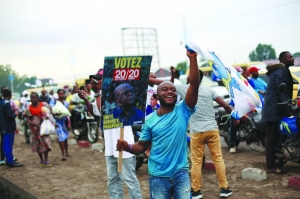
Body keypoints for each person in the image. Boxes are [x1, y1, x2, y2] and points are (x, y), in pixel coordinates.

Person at [117, 49, 200, 199]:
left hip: (181, 173)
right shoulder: (149, 120)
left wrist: (193, 59)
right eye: (165, 89)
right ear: (156, 95)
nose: (170, 92)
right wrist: (127, 146)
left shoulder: (183, 110)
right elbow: (141, 146)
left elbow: (194, 85)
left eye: (173, 90)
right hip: (158, 176)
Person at [78, 68, 142, 199]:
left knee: (130, 179)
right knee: (113, 179)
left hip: (125, 144)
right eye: (94, 80)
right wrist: (86, 99)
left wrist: (96, 93)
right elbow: (95, 112)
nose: (94, 83)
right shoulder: (100, 96)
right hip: (110, 146)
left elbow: (105, 110)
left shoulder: (118, 94)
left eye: (97, 80)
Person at [175, 69, 233, 198]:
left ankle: (196, 191)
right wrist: (235, 113)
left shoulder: (185, 89)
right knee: (218, 159)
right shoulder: (209, 90)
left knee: (196, 162)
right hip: (212, 129)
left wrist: (173, 76)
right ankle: (224, 189)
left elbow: (167, 85)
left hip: (196, 132)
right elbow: (226, 106)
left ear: (192, 78)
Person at [262, 51, 294, 174]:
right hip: (274, 110)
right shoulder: (281, 71)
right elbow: (281, 89)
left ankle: (279, 162)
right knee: (272, 138)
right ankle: (270, 167)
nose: (292, 59)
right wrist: (287, 106)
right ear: (283, 59)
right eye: (290, 57)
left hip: (276, 108)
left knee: (279, 138)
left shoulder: (282, 70)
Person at [24, 92, 54, 167]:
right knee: (37, 145)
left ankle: (46, 160)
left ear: (37, 98)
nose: (33, 99)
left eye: (35, 97)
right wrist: (32, 123)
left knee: (45, 143)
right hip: (35, 129)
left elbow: (50, 109)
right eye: (32, 98)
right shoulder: (29, 108)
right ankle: (41, 160)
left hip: (44, 128)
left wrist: (47, 116)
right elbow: (27, 117)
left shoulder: (43, 104)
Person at [0, 89, 23, 168]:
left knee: (5, 144)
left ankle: (8, 160)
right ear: (10, 95)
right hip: (8, 127)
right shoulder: (7, 103)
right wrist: (15, 114)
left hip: (3, 127)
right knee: (8, 145)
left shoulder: (1, 103)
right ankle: (10, 162)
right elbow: (9, 116)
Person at [53, 89, 71, 161]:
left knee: (65, 137)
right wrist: (55, 114)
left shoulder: (66, 103)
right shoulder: (54, 102)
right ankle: (63, 154)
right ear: (58, 94)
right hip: (57, 122)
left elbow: (67, 112)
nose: (61, 95)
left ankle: (66, 152)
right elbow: (52, 110)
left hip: (65, 122)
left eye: (62, 94)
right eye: (60, 94)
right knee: (61, 138)